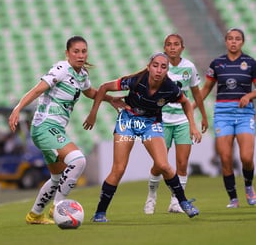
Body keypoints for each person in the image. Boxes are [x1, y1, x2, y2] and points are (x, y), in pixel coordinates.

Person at [8, 36, 121, 224]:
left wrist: (110, 100)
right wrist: (18, 108)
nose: (80, 55)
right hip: (44, 126)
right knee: (78, 160)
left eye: (83, 51)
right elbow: (38, 90)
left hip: (54, 128)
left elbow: (90, 92)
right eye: (76, 51)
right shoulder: (61, 70)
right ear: (67, 53)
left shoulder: (82, 74)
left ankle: (35, 215)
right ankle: (58, 207)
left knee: (57, 177)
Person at [83, 52, 202, 222]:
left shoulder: (170, 88)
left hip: (151, 123)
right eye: (155, 65)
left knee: (163, 165)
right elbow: (103, 87)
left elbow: (185, 102)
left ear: (167, 70)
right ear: (148, 67)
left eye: (163, 67)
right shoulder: (136, 80)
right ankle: (100, 213)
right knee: (119, 169)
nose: (159, 70)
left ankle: (183, 202)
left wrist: (192, 125)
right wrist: (93, 113)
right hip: (128, 120)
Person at [144, 34, 208, 214]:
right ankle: (151, 197)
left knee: (182, 163)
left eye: (176, 44)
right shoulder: (159, 67)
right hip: (161, 120)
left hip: (182, 120)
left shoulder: (189, 67)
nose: (173, 47)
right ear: (164, 48)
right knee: (159, 163)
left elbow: (196, 94)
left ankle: (175, 202)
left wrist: (201, 117)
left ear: (182, 47)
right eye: (169, 45)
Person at [198, 28, 256, 208]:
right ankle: (233, 198)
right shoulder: (217, 63)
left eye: (237, 39)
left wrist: (249, 96)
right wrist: (192, 105)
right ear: (226, 41)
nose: (233, 42)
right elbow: (206, 88)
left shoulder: (251, 63)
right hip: (223, 114)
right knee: (225, 158)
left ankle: (248, 186)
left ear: (242, 42)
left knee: (246, 157)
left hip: (245, 114)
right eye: (230, 39)